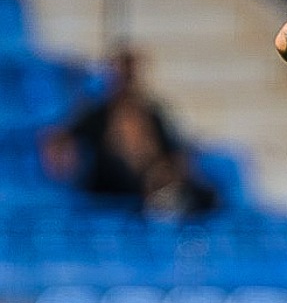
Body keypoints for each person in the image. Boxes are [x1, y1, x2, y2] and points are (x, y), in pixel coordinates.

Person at [41, 46, 218, 217]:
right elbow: (60, 140)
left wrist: (167, 170)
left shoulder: (152, 113)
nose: (128, 81)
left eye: (131, 75)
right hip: (112, 185)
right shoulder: (97, 114)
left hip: (155, 180)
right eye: (122, 75)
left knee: (203, 194)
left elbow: (175, 151)